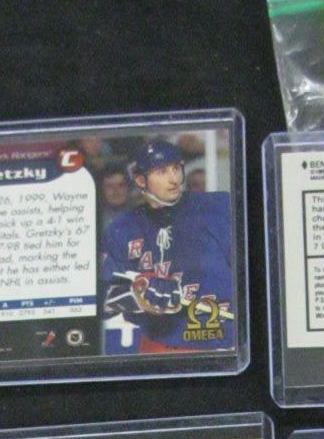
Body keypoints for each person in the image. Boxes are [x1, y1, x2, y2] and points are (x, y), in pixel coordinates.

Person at [99, 137, 234, 353]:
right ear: (140, 180)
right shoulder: (123, 228)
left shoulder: (217, 208)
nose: (174, 179)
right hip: (159, 349)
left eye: (176, 169)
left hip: (222, 343)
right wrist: (136, 295)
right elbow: (101, 299)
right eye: (162, 172)